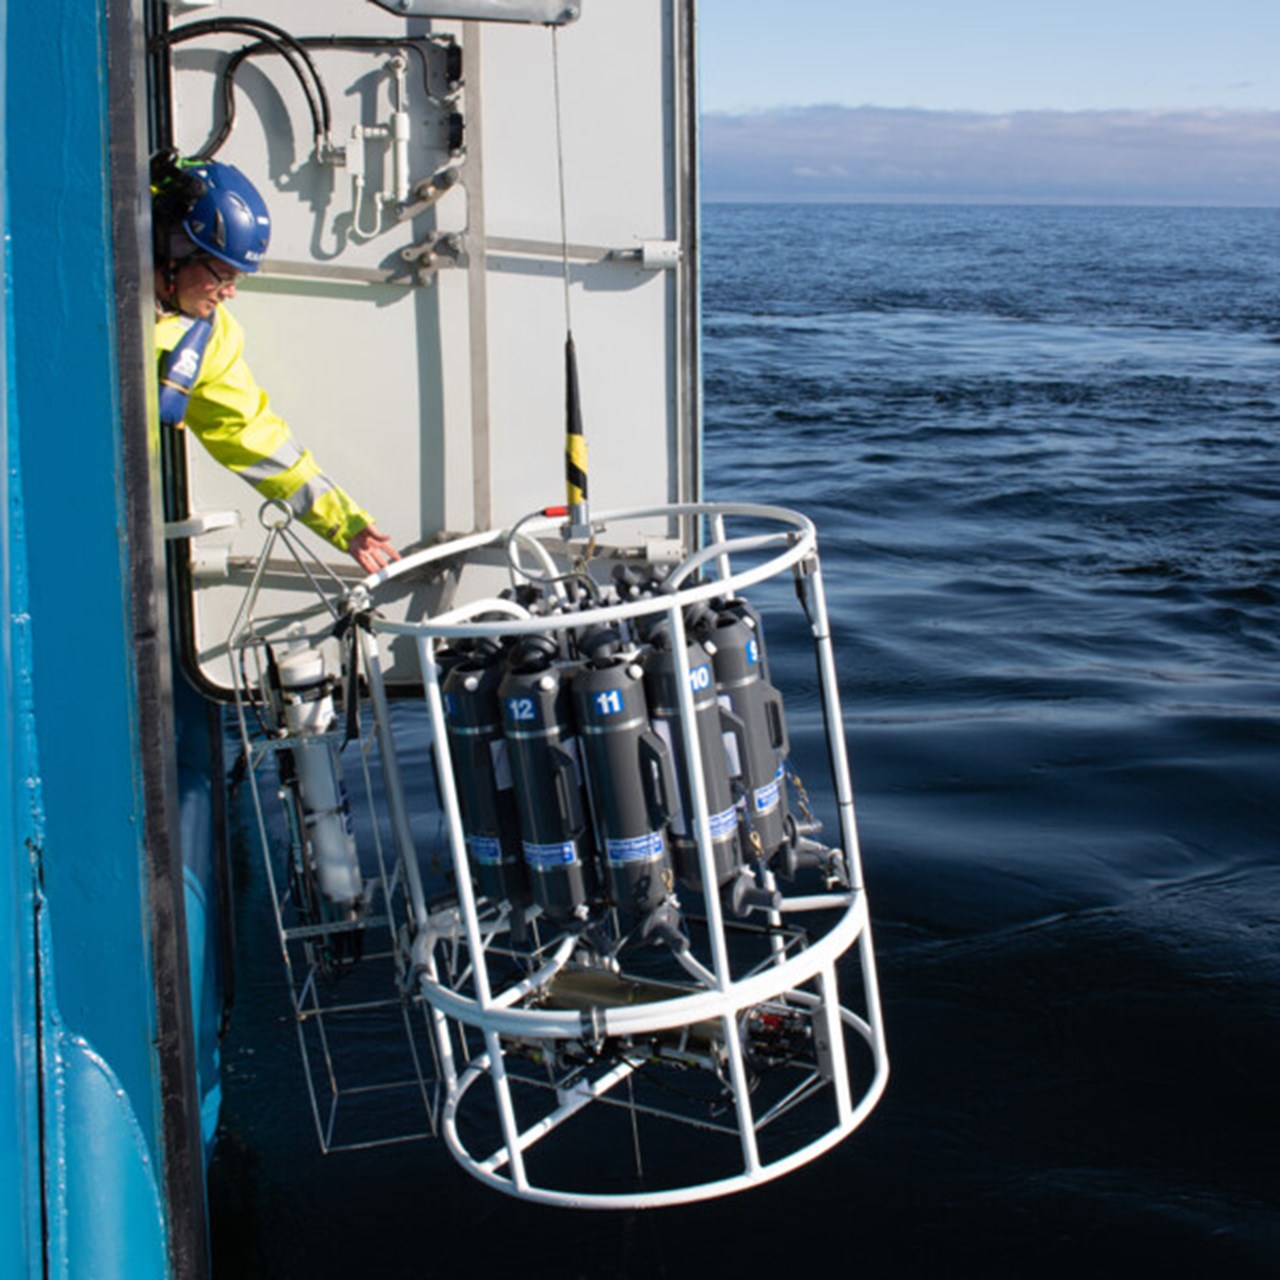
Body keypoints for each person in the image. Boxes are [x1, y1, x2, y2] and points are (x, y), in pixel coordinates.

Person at [152, 156, 400, 574]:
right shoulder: (90, 261)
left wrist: (343, 522)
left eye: (237, 279)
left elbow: (249, 433)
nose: (229, 293)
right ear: (177, 248)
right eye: (223, 275)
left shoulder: (209, 340)